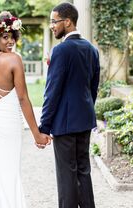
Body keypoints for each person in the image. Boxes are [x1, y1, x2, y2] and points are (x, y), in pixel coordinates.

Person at [0, 11, 51, 208]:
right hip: (8, 123)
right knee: (9, 172)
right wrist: (37, 135)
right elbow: (23, 98)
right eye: (5, 37)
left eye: (12, 37)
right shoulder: (14, 60)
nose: (11, 42)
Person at [39, 2, 100, 208]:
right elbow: (93, 88)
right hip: (84, 121)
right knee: (83, 171)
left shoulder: (61, 50)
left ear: (67, 21)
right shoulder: (92, 49)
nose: (52, 26)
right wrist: (85, 110)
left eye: (54, 22)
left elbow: (52, 92)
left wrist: (44, 127)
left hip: (64, 124)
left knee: (67, 177)